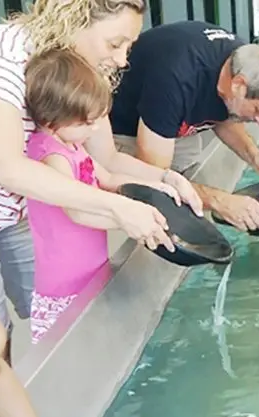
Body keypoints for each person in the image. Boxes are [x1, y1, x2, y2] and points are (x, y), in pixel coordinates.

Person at [0, 0, 202, 355]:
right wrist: (118, 208)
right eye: (115, 44)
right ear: (74, 20)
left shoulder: (85, 70)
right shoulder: (1, 55)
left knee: (59, 310)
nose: (121, 60)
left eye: (127, 47)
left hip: (16, 200)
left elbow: (107, 158)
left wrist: (165, 177)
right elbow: (7, 168)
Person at [24, 50, 186, 343]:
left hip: (89, 271)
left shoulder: (73, 145)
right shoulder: (51, 157)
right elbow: (77, 211)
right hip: (63, 285)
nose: (95, 129)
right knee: (67, 355)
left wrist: (154, 186)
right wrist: (126, 220)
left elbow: (108, 179)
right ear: (51, 120)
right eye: (87, 122)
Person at [110, 21, 259, 232]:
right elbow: (155, 178)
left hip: (171, 120)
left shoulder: (238, 62)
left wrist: (256, 156)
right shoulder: (175, 81)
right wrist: (220, 201)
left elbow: (225, 116)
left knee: (187, 159)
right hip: (123, 127)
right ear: (239, 85)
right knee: (152, 196)